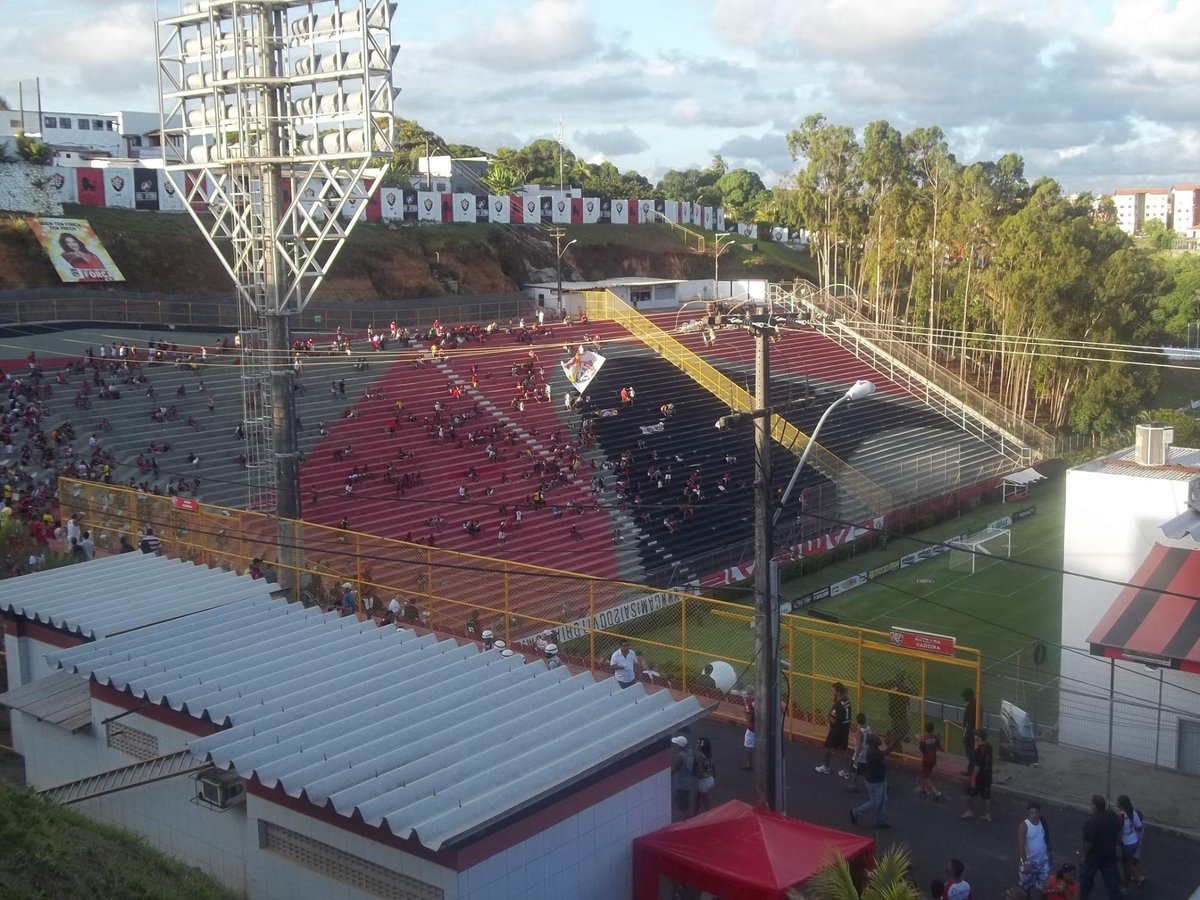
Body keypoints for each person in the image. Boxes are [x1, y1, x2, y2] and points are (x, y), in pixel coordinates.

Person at [1079, 794, 1122, 899]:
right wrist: (1117, 846)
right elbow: (1117, 831)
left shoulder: (1092, 822)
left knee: (1086, 880)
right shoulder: (1112, 815)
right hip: (1109, 854)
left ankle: (1082, 897)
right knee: (1112, 882)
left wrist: (1084, 855)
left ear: (1095, 806)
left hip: (1094, 856)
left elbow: (1088, 843)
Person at [849, 733, 891, 829]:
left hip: (880, 779)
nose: (879, 739)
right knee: (875, 802)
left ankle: (880, 820)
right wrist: (896, 741)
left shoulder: (874, 750)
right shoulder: (873, 752)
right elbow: (886, 753)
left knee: (884, 800)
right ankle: (856, 812)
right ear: (873, 742)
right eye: (877, 738)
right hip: (874, 781)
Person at [816, 682, 852, 774]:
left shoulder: (838, 705)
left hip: (836, 730)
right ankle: (846, 771)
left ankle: (826, 767)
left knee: (827, 747)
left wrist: (828, 716)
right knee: (844, 749)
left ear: (838, 692)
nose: (833, 692)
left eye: (834, 691)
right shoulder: (847, 700)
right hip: (846, 728)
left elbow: (834, 721)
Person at [1018, 801, 1052, 892]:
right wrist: (1025, 863)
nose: (1034, 815)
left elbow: (1047, 836)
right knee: (1025, 887)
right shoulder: (1024, 826)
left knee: (1045, 887)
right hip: (1030, 862)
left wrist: (1050, 851)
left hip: (1042, 861)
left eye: (1036, 813)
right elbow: (1021, 846)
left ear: (1039, 813)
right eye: (1032, 813)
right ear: (1028, 813)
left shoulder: (1042, 821)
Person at [961, 728, 993, 822]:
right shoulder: (989, 747)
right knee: (986, 796)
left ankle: (970, 811)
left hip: (979, 776)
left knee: (968, 793)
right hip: (987, 775)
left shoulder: (977, 751)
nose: (974, 736)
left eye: (975, 735)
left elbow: (977, 767)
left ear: (978, 737)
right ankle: (988, 814)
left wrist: (973, 780)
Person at [1115, 794, 1144, 890]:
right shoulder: (1134, 813)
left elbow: (1118, 832)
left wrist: (1117, 844)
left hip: (1126, 843)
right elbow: (1139, 827)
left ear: (1121, 805)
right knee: (1128, 864)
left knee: (1125, 866)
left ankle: (1125, 887)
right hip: (1134, 841)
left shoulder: (1121, 816)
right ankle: (1126, 883)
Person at [846, 712, 872, 792]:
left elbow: (859, 745)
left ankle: (853, 785)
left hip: (860, 754)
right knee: (867, 770)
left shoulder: (859, 732)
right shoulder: (868, 728)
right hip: (867, 752)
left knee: (854, 770)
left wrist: (856, 757)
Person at [918, 722, 944, 801]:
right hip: (933, 759)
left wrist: (919, 740)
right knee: (925, 773)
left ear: (925, 729)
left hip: (926, 760)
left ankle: (935, 792)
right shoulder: (936, 738)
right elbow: (938, 747)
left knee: (925, 776)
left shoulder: (924, 739)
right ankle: (925, 789)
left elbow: (921, 749)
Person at [670, 736, 695, 818]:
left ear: (679, 746)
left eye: (676, 744)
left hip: (681, 784)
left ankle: (688, 819)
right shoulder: (690, 752)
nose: (674, 745)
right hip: (688, 781)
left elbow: (676, 768)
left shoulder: (680, 756)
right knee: (682, 800)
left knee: (682, 805)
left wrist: (669, 775)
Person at [693, 736, 715, 815]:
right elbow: (712, 766)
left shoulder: (700, 757)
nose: (696, 744)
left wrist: (694, 773)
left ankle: (711, 817)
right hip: (710, 778)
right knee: (697, 798)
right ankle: (694, 814)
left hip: (703, 782)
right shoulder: (708, 754)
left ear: (701, 746)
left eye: (697, 743)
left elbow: (700, 771)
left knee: (706, 803)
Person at [961, 687, 978, 775]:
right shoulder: (977, 704)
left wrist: (965, 735)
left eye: (964, 696)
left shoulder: (970, 707)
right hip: (975, 732)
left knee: (970, 752)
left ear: (969, 696)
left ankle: (970, 770)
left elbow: (968, 724)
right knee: (973, 752)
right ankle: (972, 769)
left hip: (970, 734)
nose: (963, 698)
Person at [741, 693, 756, 770]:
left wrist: (745, 715)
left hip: (752, 729)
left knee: (749, 745)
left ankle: (749, 764)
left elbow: (749, 719)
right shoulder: (758, 701)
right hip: (761, 728)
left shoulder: (749, 703)